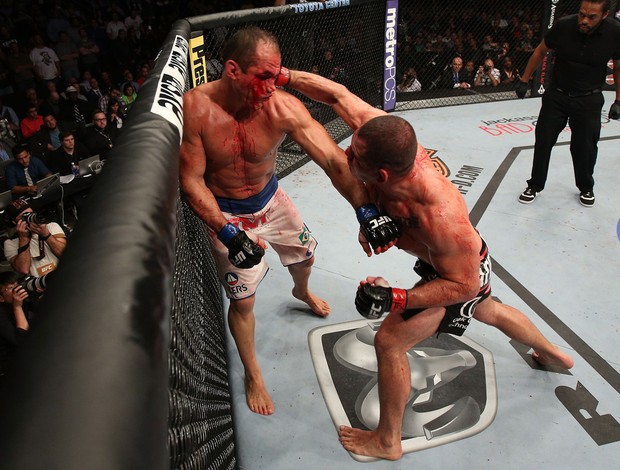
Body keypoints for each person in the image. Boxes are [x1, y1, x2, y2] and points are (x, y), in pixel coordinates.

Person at [286, 69, 575, 461]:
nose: (347, 154)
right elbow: (337, 95)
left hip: (458, 276)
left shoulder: (440, 216)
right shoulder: (384, 137)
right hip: (467, 262)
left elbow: (463, 287)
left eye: (355, 156)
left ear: (382, 174)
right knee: (488, 309)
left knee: (390, 342)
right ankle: (554, 354)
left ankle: (388, 440)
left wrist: (396, 298)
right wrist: (284, 76)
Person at [178, 26, 398, 417]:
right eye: (262, 76)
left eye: (276, 76)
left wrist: (366, 212)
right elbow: (192, 180)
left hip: (272, 200)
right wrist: (228, 232)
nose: (270, 86)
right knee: (243, 302)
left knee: (306, 257)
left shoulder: (283, 107)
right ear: (232, 70)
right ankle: (254, 373)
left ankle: (302, 291)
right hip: (225, 212)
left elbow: (333, 160)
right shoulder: (196, 109)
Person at [515, 0, 620, 206]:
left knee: (585, 147)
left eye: (592, 17)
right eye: (582, 14)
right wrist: (524, 80)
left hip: (589, 99)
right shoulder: (564, 25)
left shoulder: (615, 33)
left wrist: (618, 100)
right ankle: (535, 185)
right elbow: (540, 50)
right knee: (543, 141)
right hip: (558, 96)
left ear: (605, 15)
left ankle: (586, 187)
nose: (584, 20)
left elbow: (618, 67)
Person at [3, 199, 67, 277]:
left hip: (64, 275)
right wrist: (23, 239)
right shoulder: (10, 243)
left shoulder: (51, 227)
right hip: (39, 285)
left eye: (31, 213)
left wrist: (46, 235)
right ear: (15, 222)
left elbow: (66, 255)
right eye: (24, 216)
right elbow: (23, 269)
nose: (30, 217)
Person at [0, 271, 31, 380]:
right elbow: (21, 342)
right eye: (11, 287)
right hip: (10, 371)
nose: (18, 289)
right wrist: (17, 307)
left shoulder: (23, 300)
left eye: (18, 284)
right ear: (1, 298)